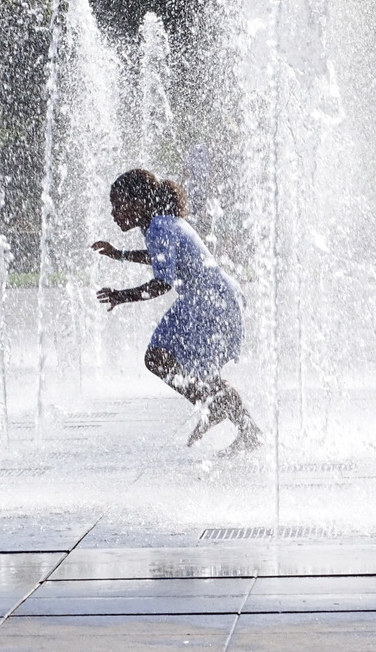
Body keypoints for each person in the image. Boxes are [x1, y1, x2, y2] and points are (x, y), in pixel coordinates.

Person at [91, 168, 263, 456]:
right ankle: (247, 430)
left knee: (158, 357)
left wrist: (121, 296)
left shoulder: (159, 226)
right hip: (216, 298)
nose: (113, 213)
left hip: (208, 301)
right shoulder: (160, 224)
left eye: (118, 204)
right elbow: (160, 257)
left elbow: (162, 283)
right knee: (198, 372)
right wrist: (120, 254)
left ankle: (213, 404)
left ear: (139, 202)